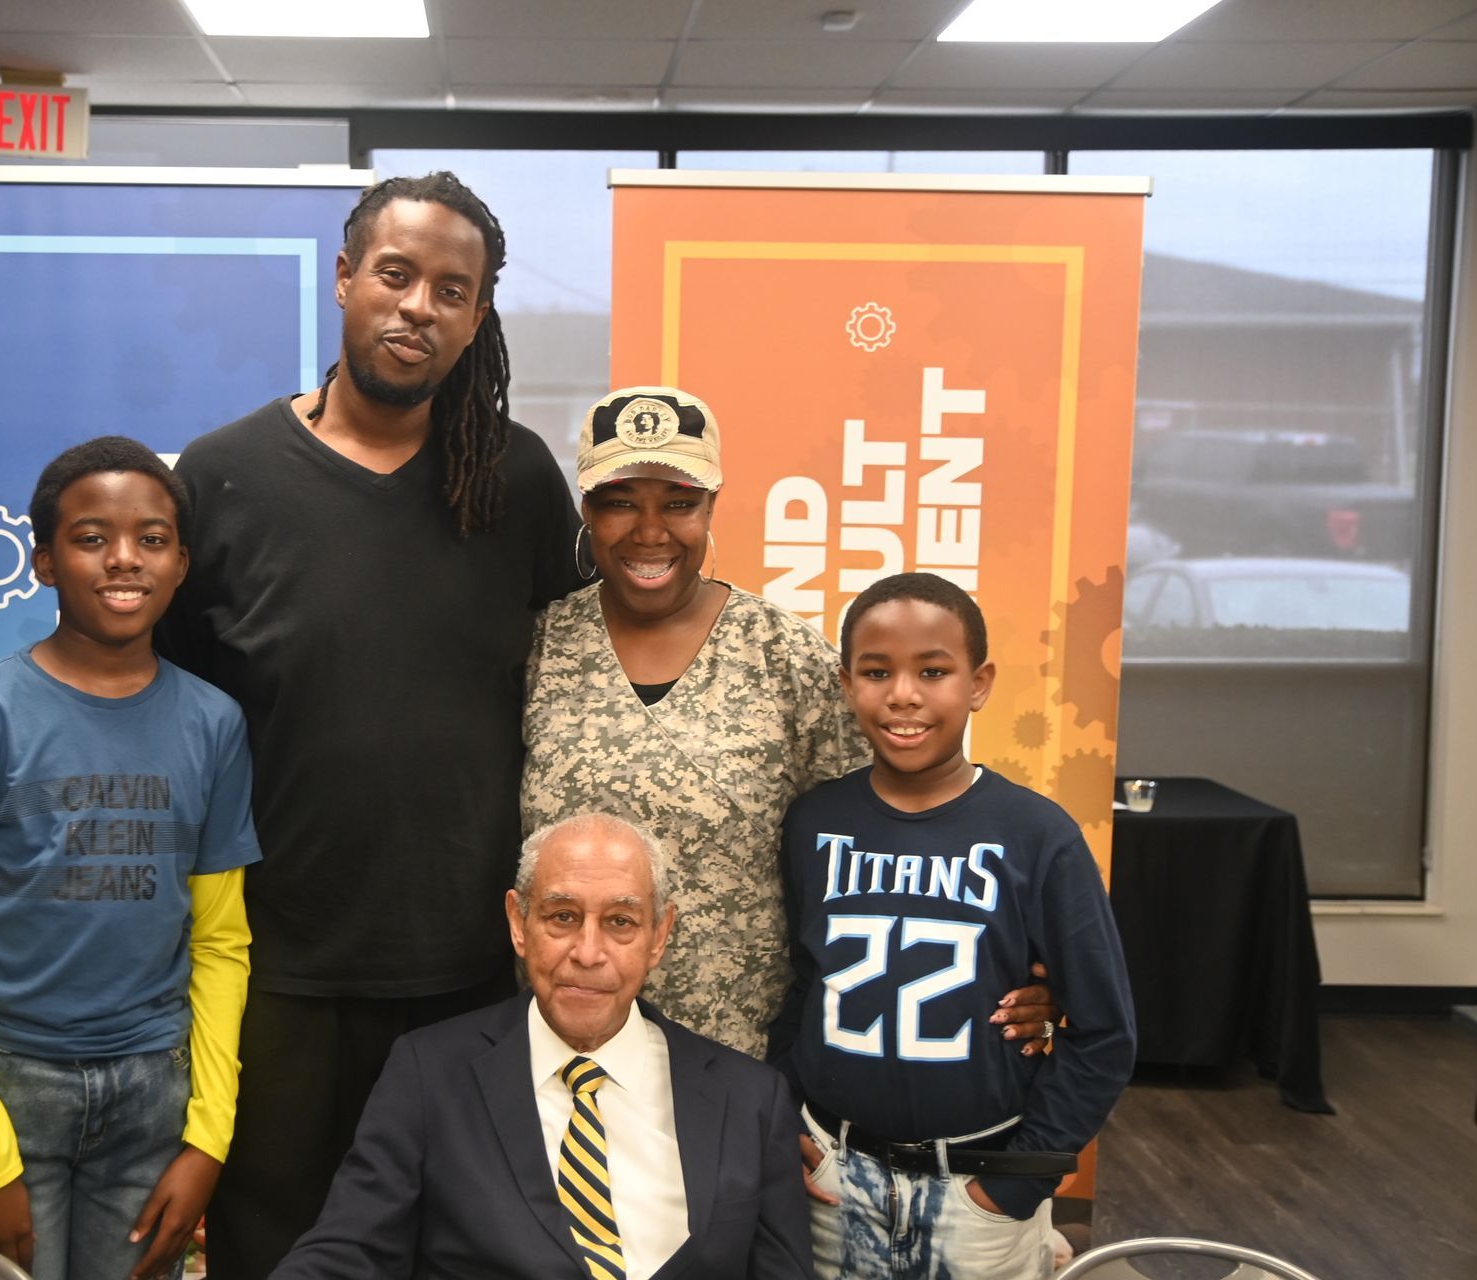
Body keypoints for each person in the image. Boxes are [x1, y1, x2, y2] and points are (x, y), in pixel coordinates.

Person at [0, 172, 583, 1278]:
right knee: (276, 1255)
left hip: (467, 969)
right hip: (275, 967)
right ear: (344, 278)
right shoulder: (224, 476)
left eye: (453, 289)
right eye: (395, 274)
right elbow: (135, 696)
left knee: (453, 1255)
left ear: (478, 312)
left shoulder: (516, 478)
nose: (418, 306)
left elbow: (581, 681)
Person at [522, 387, 1061, 1061]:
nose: (650, 531)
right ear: (586, 509)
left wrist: (1009, 964)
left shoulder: (785, 656)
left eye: (680, 503)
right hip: (564, 1043)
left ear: (712, 507)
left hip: (736, 1056)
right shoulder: (540, 644)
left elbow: (891, 832)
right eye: (621, 501)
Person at [0, 437, 262, 1280]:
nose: (124, 558)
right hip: (5, 1088)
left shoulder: (214, 726)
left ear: (181, 563)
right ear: (44, 562)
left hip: (155, 1094)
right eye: (91, 538)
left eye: (152, 538)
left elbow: (221, 942)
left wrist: (208, 1137)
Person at [771, 573, 1137, 1280]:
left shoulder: (1037, 834)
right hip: (832, 1181)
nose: (903, 695)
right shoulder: (814, 822)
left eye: (933, 672)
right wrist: (785, 1117)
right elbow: (800, 984)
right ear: (847, 685)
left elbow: (1105, 1031)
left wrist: (1019, 1181)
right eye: (877, 672)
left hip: (979, 1189)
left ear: (979, 684)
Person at [272, 812, 814, 1280]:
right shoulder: (428, 1075)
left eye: (620, 922)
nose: (588, 953)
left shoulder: (751, 1099)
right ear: (519, 923)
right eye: (563, 917)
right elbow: (348, 1251)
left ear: (659, 935)